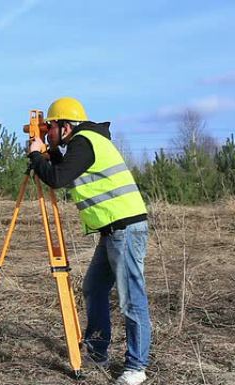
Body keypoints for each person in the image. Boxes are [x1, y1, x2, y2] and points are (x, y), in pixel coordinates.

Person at [28, 97, 151, 385]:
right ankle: (97, 352)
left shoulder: (84, 142)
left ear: (65, 127)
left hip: (125, 230)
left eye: (51, 129)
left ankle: (136, 366)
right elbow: (67, 173)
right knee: (94, 288)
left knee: (131, 299)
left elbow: (57, 179)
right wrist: (46, 154)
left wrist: (36, 156)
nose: (48, 135)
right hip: (112, 232)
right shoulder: (83, 144)